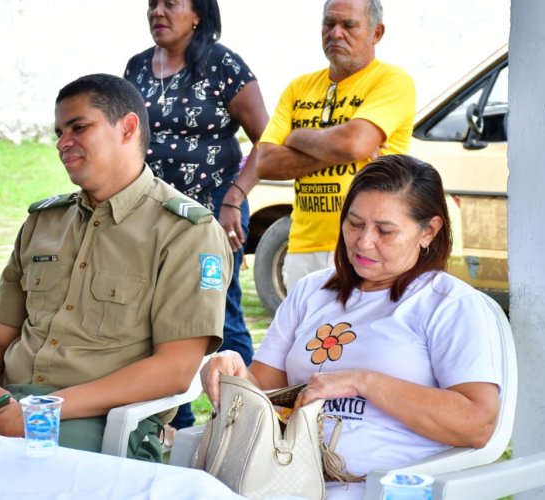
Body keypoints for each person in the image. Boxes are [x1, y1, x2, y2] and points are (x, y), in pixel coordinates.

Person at [0, 74, 233, 463]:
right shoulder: (44, 222)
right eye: (58, 131)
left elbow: (174, 369)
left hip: (99, 422)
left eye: (78, 127)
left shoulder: (185, 233)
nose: (62, 143)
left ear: (128, 127)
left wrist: (39, 411)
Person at [202, 155, 502, 499]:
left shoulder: (448, 304)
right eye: (355, 224)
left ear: (428, 231)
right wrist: (229, 370)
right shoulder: (311, 291)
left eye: (385, 231)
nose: (363, 241)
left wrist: (364, 382)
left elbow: (478, 424)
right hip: (282, 475)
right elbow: (263, 390)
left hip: (374, 488)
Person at [124, 0, 269, 431]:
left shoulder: (223, 65)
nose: (158, 11)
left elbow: (268, 140)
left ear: (199, 13)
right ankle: (176, 425)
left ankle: (245, 425)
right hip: (152, 215)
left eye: (171, 3)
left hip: (212, 212)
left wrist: (233, 200)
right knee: (158, 318)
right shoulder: (136, 69)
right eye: (153, 4)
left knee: (218, 315)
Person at [256, 0, 416, 291]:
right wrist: (343, 149)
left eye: (349, 25)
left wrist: (295, 137)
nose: (336, 33)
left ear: (376, 32)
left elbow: (354, 142)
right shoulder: (298, 87)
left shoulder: (392, 81)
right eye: (329, 24)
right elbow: (264, 162)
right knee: (308, 337)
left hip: (370, 244)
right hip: (303, 247)